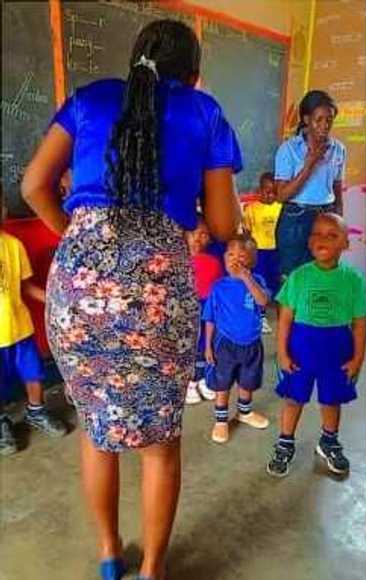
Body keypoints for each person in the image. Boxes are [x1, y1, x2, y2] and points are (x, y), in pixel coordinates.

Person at [21, 19, 241, 580]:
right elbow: (221, 223)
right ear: (193, 76)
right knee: (161, 443)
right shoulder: (204, 112)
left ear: (134, 60)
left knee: (98, 434)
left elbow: (33, 187)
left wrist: (74, 235)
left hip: (80, 290)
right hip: (158, 294)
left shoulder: (91, 99)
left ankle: (109, 555)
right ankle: (154, 570)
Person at [268, 213, 366, 478]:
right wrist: (283, 352)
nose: (322, 239)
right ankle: (285, 441)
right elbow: (285, 318)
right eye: (317, 233)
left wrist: (358, 358)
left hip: (337, 350)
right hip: (301, 349)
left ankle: (329, 441)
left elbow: (359, 322)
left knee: (331, 400)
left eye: (332, 235)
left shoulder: (354, 280)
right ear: (309, 241)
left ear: (346, 243)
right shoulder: (298, 277)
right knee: (293, 398)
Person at [0, 196, 67, 455]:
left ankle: (36, 411)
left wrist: (55, 299)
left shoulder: (13, 246)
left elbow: (25, 286)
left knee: (34, 374)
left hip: (20, 328)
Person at [202, 237, 272, 444]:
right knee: (222, 383)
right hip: (225, 343)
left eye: (241, 256)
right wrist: (207, 346)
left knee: (248, 380)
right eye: (230, 255)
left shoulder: (257, 281)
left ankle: (245, 412)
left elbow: (262, 301)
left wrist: (246, 277)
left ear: (252, 260)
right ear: (224, 258)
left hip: (252, 342)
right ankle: (221, 420)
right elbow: (210, 318)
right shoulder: (218, 287)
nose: (235, 259)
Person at [274, 90, 346, 278]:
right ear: (306, 119)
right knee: (292, 278)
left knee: (322, 277)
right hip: (296, 218)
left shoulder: (338, 149)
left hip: (326, 215)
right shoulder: (289, 149)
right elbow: (281, 195)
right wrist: (310, 163)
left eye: (329, 119)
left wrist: (340, 224)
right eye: (319, 119)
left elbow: (337, 189)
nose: (325, 125)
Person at [187, 221, 222, 405]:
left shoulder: (214, 262)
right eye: (194, 233)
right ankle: (190, 382)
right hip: (188, 308)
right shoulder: (179, 260)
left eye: (204, 234)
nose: (198, 238)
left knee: (206, 344)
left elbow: (218, 289)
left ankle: (203, 378)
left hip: (208, 309)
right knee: (190, 344)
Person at [243, 172, 283, 297]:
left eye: (273, 192)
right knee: (259, 277)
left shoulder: (281, 207)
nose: (269, 195)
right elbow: (247, 231)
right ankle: (261, 306)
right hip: (258, 250)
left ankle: (276, 301)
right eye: (266, 191)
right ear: (259, 190)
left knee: (275, 277)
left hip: (276, 249)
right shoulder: (251, 208)